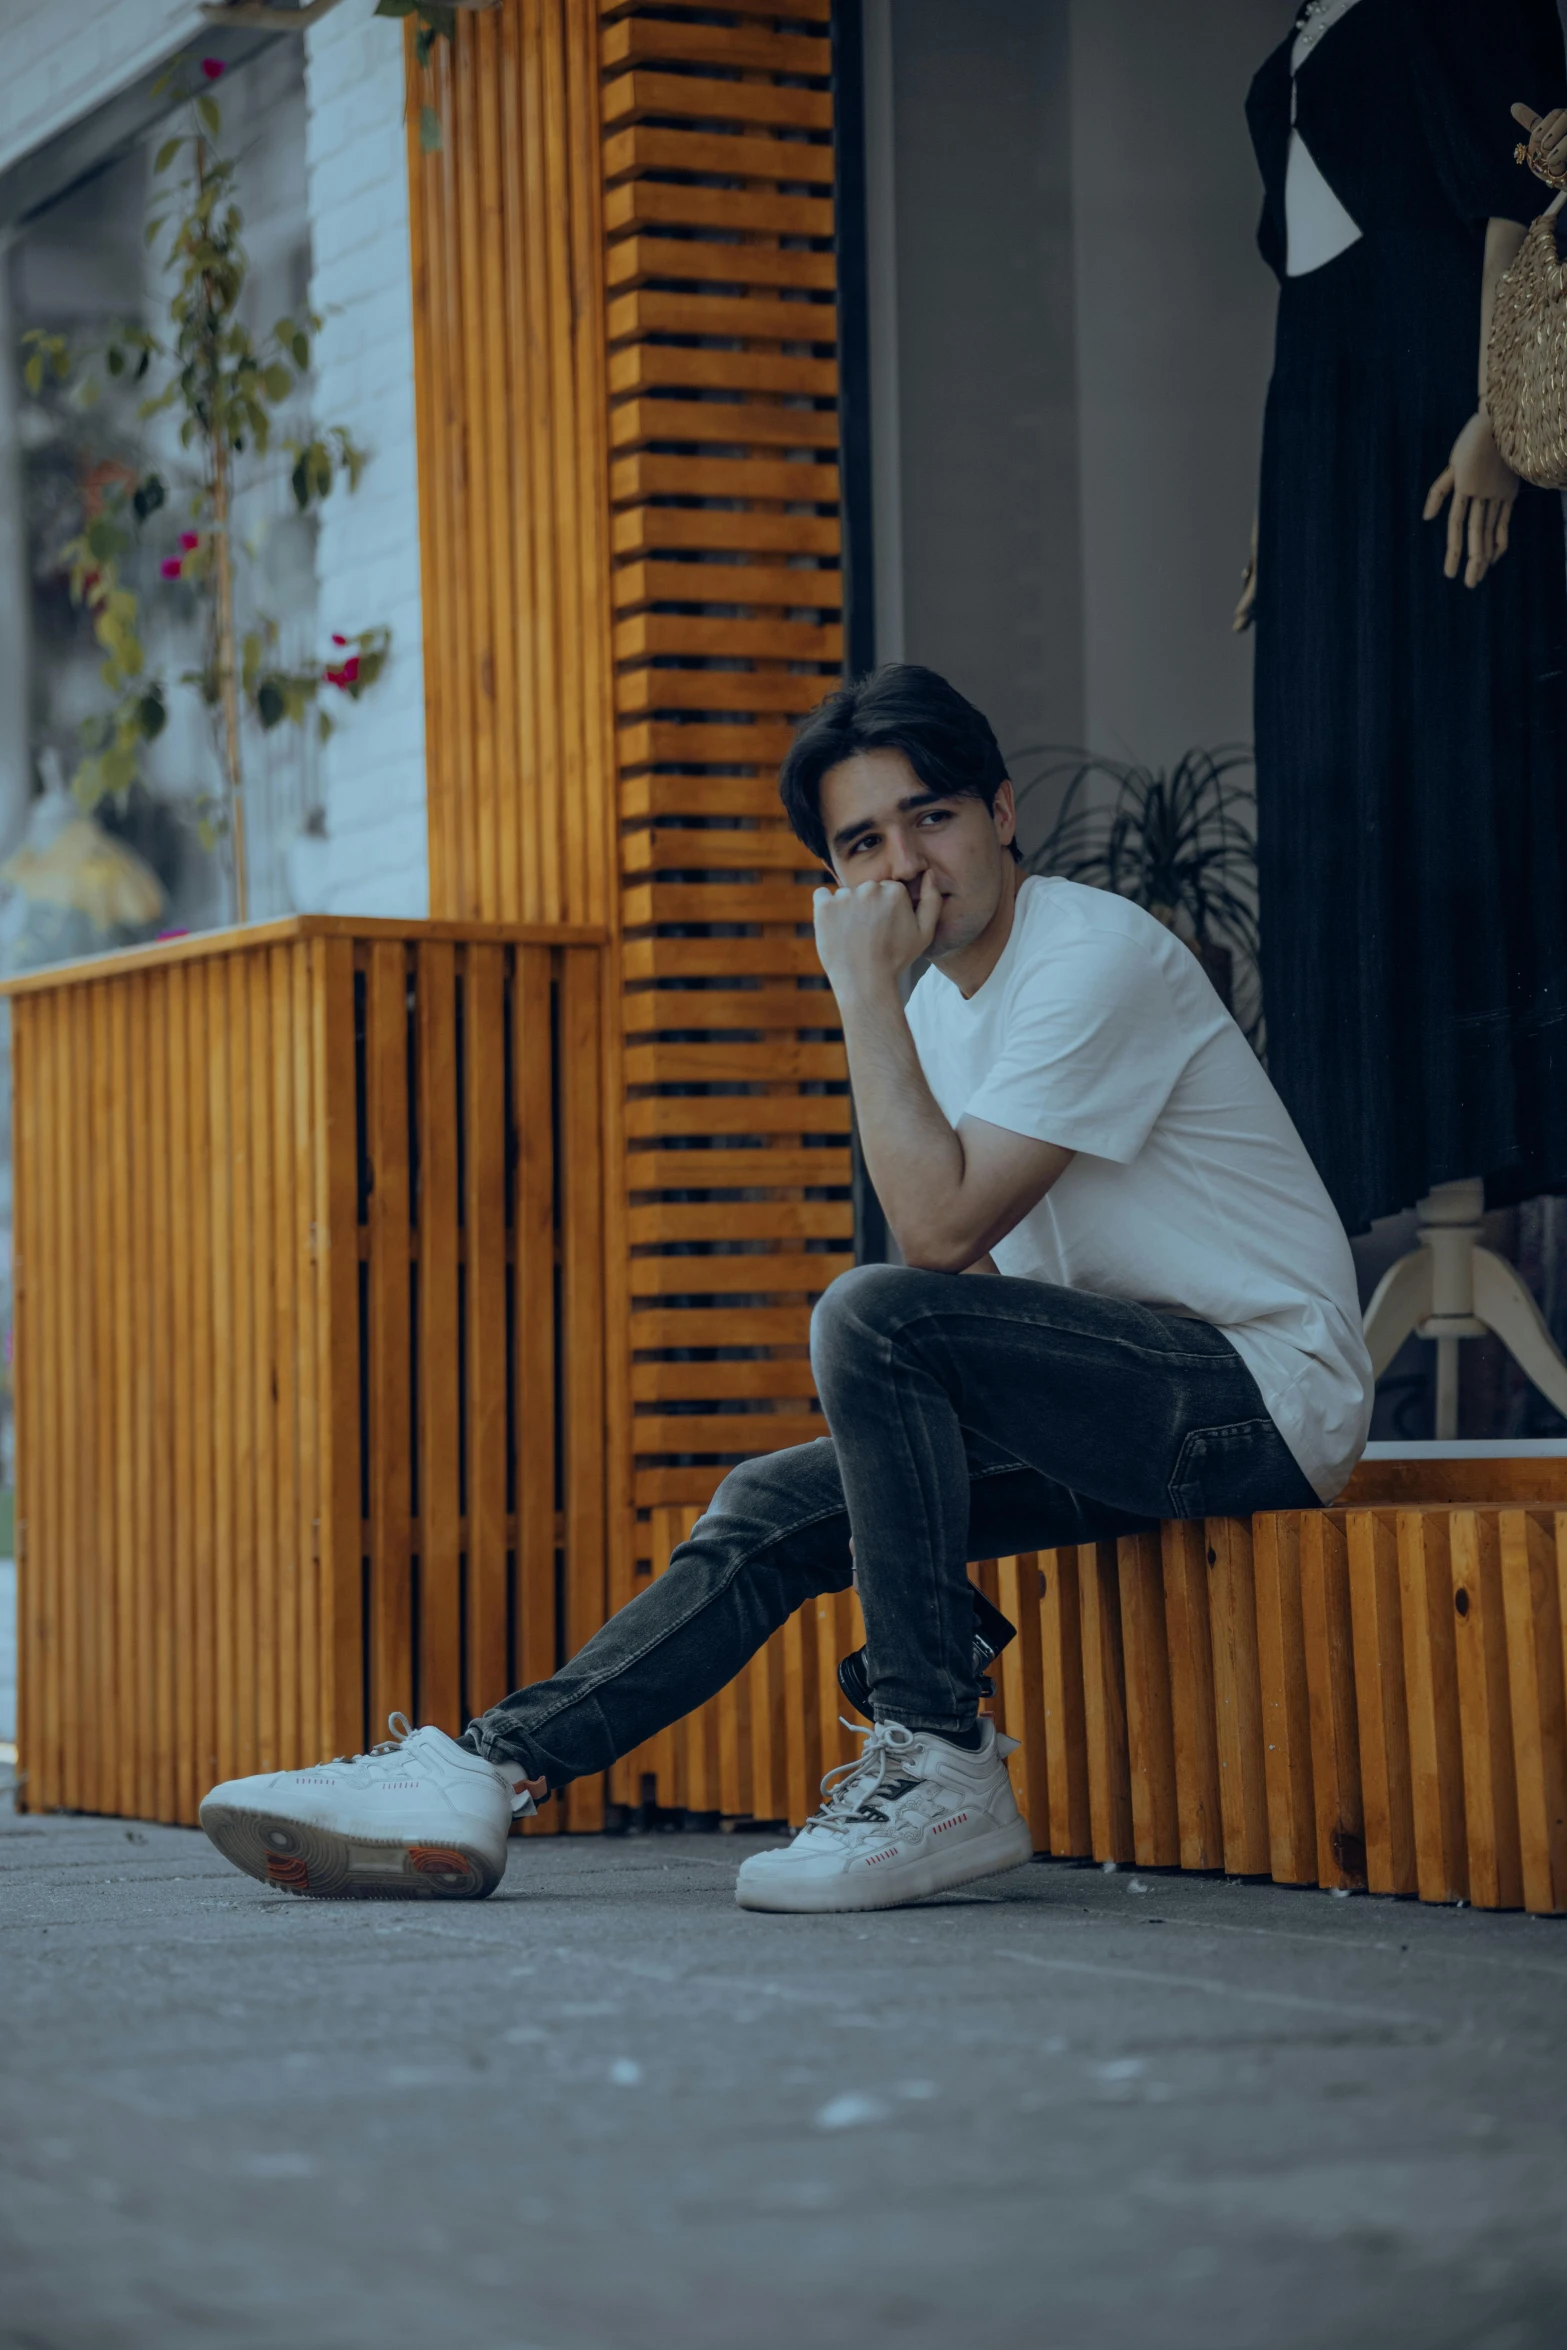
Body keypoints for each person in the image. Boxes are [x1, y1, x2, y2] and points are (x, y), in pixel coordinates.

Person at [199, 666, 1372, 1915]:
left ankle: (938, 1758)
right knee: (771, 1496)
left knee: (869, 1313)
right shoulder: (932, 1007)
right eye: (863, 842)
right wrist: (886, 1006)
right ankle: (488, 1771)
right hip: (1118, 1405)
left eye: (932, 818)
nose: (907, 867)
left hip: (1259, 1395)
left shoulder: (1094, 954)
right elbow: (959, 1283)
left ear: (1003, 813)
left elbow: (933, 1237)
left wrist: (861, 990)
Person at [1237, 0, 1567, 1239]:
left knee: (1447, 764)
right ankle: (1381, 1152)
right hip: (1316, 427)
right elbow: (1299, 287)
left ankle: (1473, 1153)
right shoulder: (1298, 38)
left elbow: (1511, 202)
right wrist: (1278, 507)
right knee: (1334, 782)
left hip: (1439, 398)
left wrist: (1492, 412)